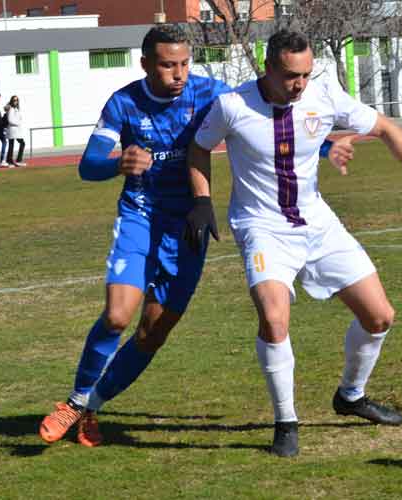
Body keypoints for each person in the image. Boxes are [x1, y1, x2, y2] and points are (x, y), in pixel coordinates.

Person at [38, 25, 346, 448]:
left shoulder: (209, 93)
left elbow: (264, 110)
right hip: (140, 219)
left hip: (189, 228)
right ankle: (74, 402)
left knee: (152, 332)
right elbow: (88, 164)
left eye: (184, 63)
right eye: (167, 65)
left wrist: (327, 147)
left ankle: (93, 407)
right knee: (117, 315)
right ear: (146, 63)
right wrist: (118, 163)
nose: (178, 73)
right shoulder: (124, 103)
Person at [186, 29, 402, 457]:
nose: (300, 84)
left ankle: (350, 396)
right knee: (274, 320)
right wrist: (201, 201)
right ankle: (285, 421)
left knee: (380, 317)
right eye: (292, 76)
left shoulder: (324, 94)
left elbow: (384, 128)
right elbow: (198, 148)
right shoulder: (232, 105)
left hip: (319, 225)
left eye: (307, 74)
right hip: (262, 228)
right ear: (268, 67)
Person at [5, 95, 27, 167]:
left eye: (17, 100)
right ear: (12, 101)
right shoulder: (11, 109)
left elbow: (19, 118)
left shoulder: (16, 109)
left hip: (16, 130)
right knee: (21, 143)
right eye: (14, 100)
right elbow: (10, 120)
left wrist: (19, 121)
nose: (16, 101)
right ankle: (16, 160)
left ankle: (10, 160)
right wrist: (18, 123)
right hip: (12, 130)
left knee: (13, 145)